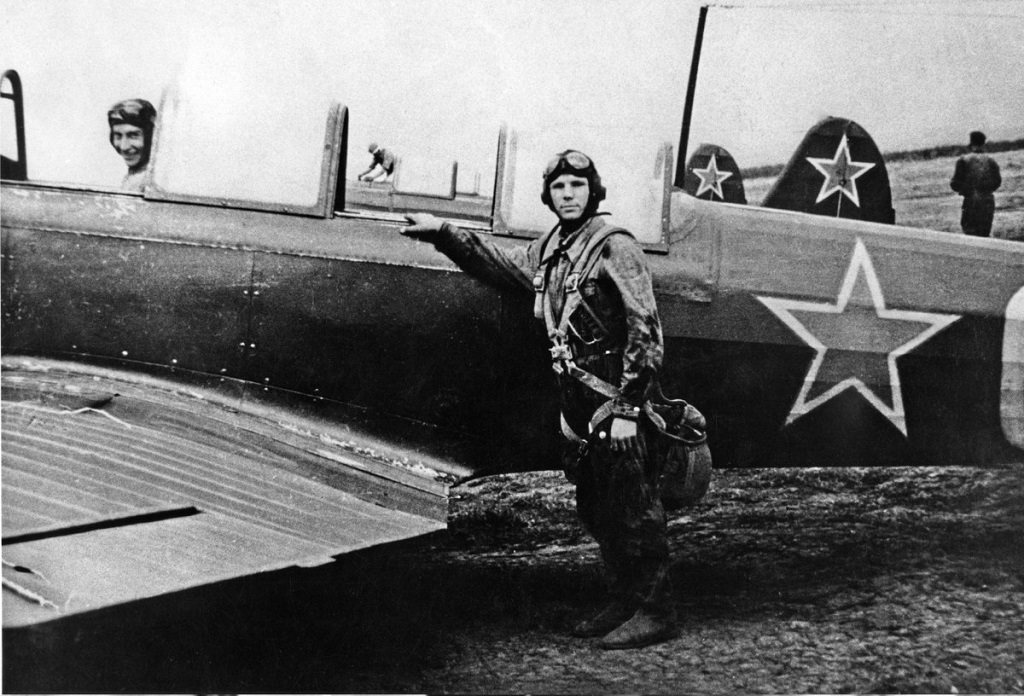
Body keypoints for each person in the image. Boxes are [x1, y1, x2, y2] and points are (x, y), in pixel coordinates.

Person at [404, 150, 677, 649]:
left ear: (593, 192)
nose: (568, 194)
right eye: (559, 187)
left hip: (615, 400)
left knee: (635, 508)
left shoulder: (615, 246)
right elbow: (498, 264)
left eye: (577, 185)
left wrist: (629, 408)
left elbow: (645, 328)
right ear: (549, 196)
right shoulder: (551, 248)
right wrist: (443, 232)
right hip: (581, 406)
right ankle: (624, 599)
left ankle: (655, 610)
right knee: (597, 506)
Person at [950, 131, 1002, 237]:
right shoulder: (991, 161)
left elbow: (955, 184)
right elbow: (997, 181)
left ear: (971, 144)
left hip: (971, 202)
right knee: (985, 232)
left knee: (970, 234)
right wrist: (986, 190)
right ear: (983, 143)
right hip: (987, 201)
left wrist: (966, 190)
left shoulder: (963, 160)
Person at [108, 98, 157, 192]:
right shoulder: (133, 179)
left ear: (150, 137)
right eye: (118, 136)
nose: (124, 147)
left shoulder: (154, 183)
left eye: (133, 135)